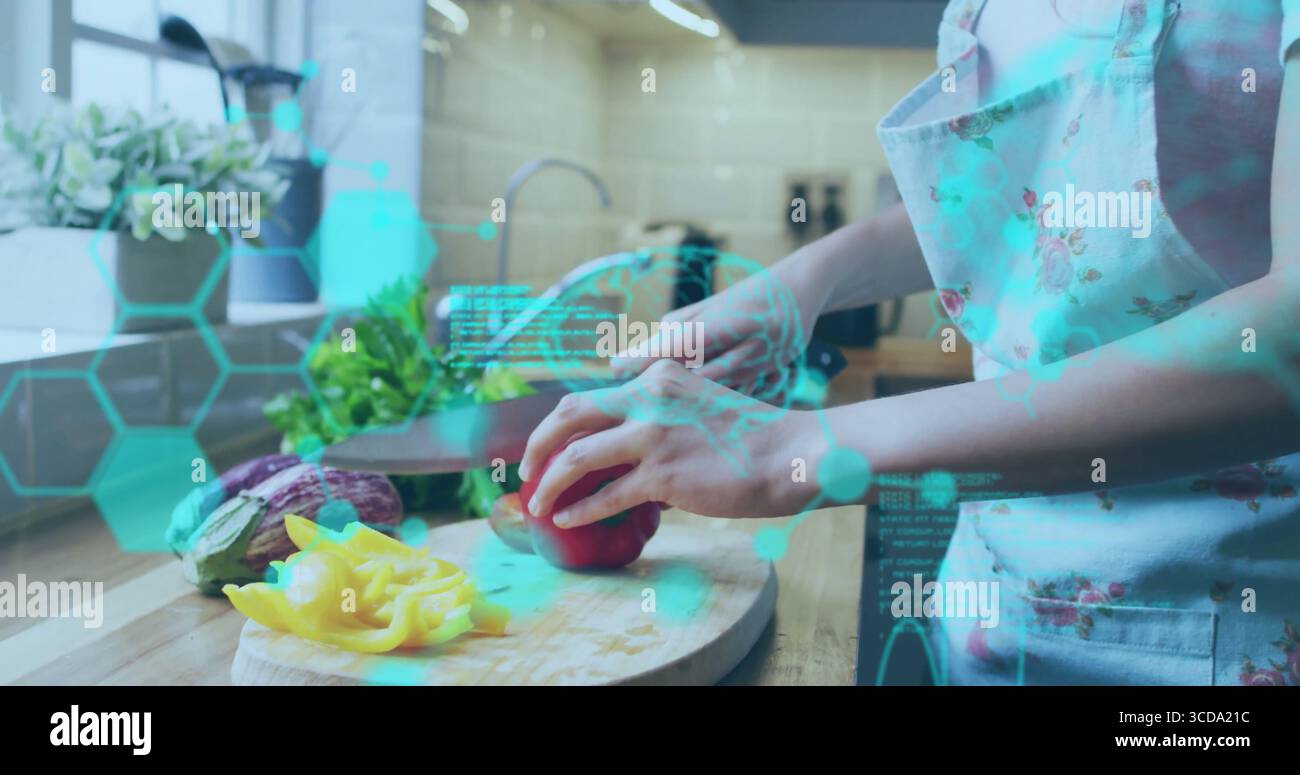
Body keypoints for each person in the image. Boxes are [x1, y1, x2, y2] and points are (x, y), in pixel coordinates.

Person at [518, 0, 1300, 685]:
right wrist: (812, 277)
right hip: (988, 608)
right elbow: (1033, 206)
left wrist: (793, 447)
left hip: (1216, 636)